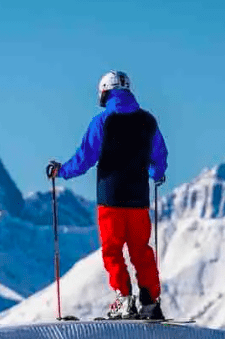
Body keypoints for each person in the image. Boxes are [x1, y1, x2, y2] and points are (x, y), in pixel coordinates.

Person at [47, 71, 168, 320]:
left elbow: (85, 157)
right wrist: (157, 173)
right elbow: (160, 154)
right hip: (139, 199)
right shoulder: (148, 121)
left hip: (110, 199)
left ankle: (124, 300)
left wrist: (61, 171)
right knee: (141, 250)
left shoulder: (103, 121)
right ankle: (149, 301)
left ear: (104, 92)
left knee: (113, 250)